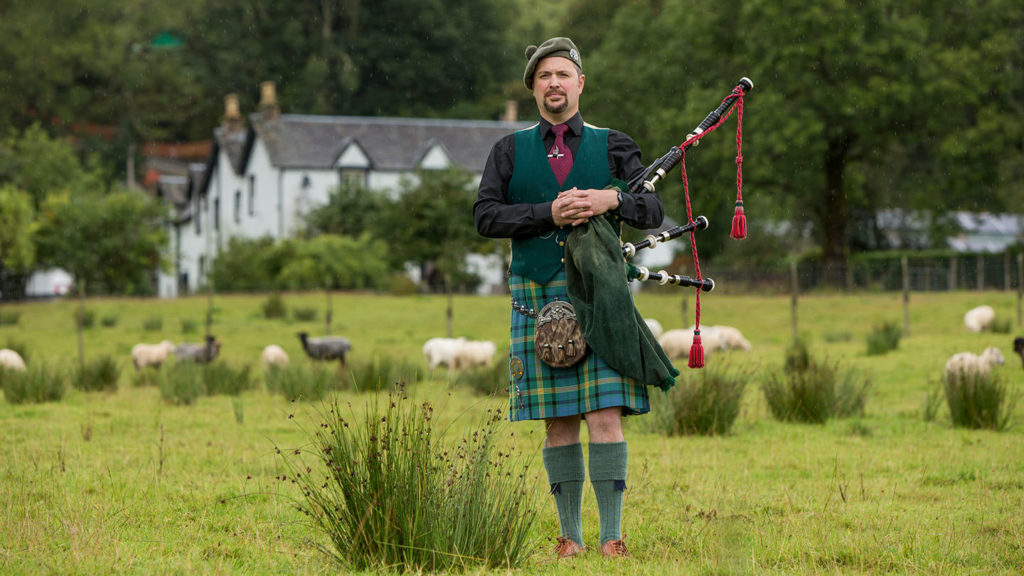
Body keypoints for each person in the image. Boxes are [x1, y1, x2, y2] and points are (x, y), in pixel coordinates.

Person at [474, 36, 667, 560]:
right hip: (538, 297)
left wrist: (613, 199)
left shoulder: (614, 144)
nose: (553, 83)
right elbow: (485, 216)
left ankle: (611, 538)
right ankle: (570, 540)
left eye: (562, 74)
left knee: (605, 413)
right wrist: (546, 215)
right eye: (543, 76)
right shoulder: (509, 150)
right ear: (533, 88)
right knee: (558, 420)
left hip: (599, 292)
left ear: (580, 82)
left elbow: (652, 209)